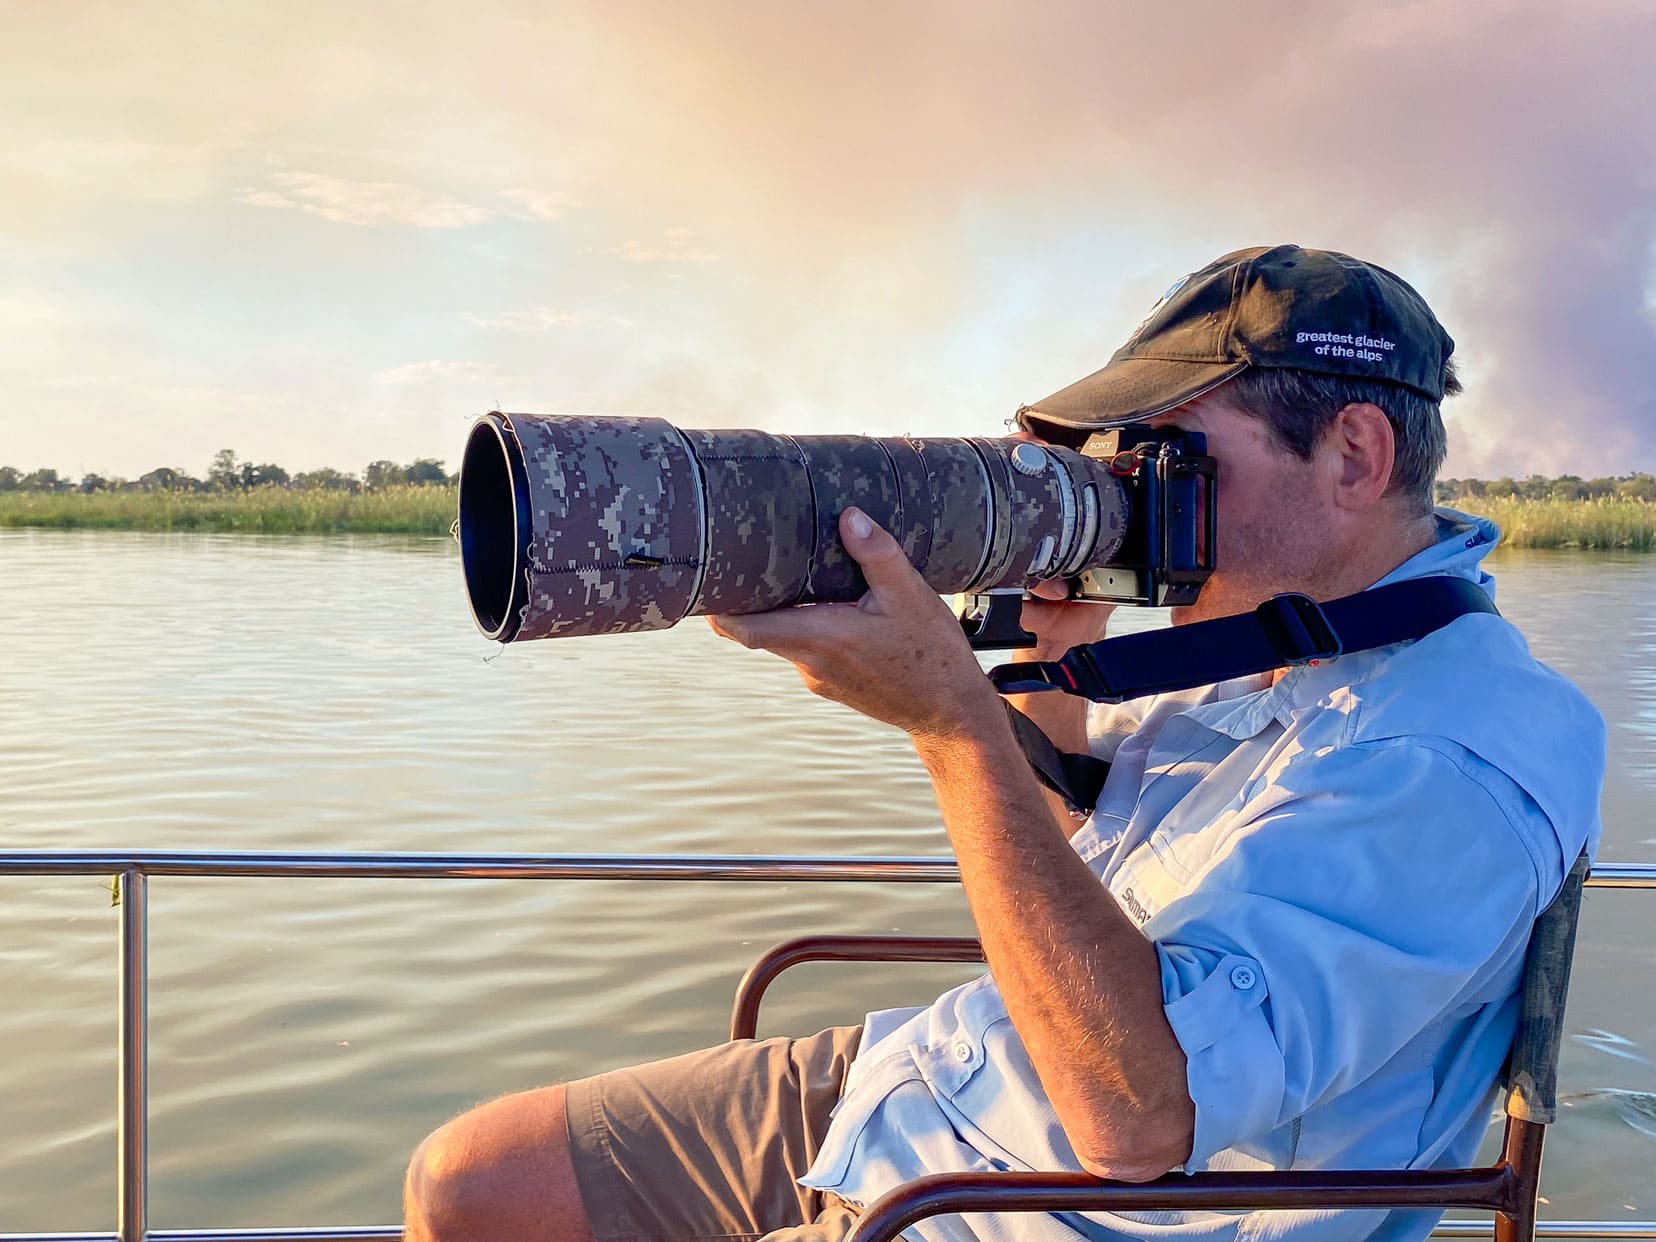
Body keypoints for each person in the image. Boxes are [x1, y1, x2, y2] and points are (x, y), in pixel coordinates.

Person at [402, 245, 1605, 1242]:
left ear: (1354, 455)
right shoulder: (1294, 647)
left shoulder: (1446, 754)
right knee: (470, 1180)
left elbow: (1135, 1116)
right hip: (946, 1088)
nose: (1141, 498)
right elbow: (1092, 844)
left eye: (1177, 462)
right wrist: (1040, 679)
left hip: (1038, 1206)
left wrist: (952, 726)